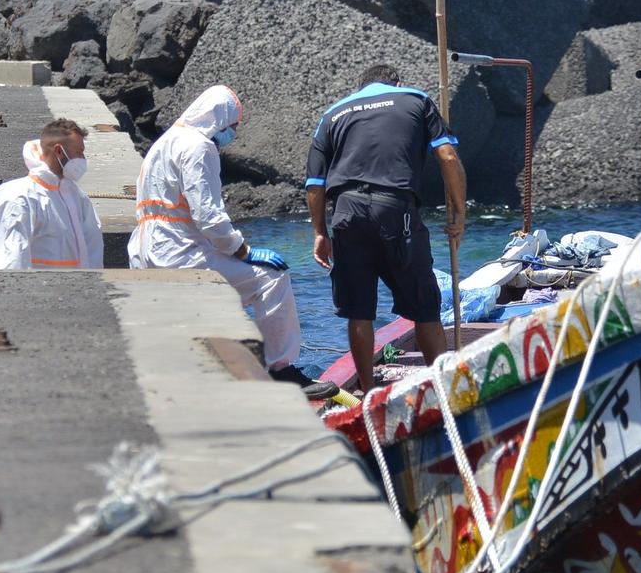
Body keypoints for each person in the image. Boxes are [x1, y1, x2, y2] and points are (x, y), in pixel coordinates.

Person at [129, 85, 325, 395]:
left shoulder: (164, 142)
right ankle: (281, 369)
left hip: (145, 249)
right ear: (219, 119)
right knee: (273, 277)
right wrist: (243, 250)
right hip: (179, 254)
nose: (232, 133)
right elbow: (209, 217)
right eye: (232, 126)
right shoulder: (199, 147)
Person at [306, 63, 467, 379]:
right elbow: (448, 157)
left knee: (358, 311)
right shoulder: (415, 98)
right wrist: (460, 214)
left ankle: (367, 392)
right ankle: (441, 383)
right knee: (425, 306)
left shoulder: (332, 114)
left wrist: (319, 233)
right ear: (396, 82)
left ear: (360, 87)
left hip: (346, 213)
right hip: (395, 208)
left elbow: (314, 183)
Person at [0, 118, 103, 271]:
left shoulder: (75, 195)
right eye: (79, 152)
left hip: (76, 290)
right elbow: (13, 257)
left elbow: (92, 245)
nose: (82, 159)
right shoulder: (21, 197)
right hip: (39, 291)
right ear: (59, 151)